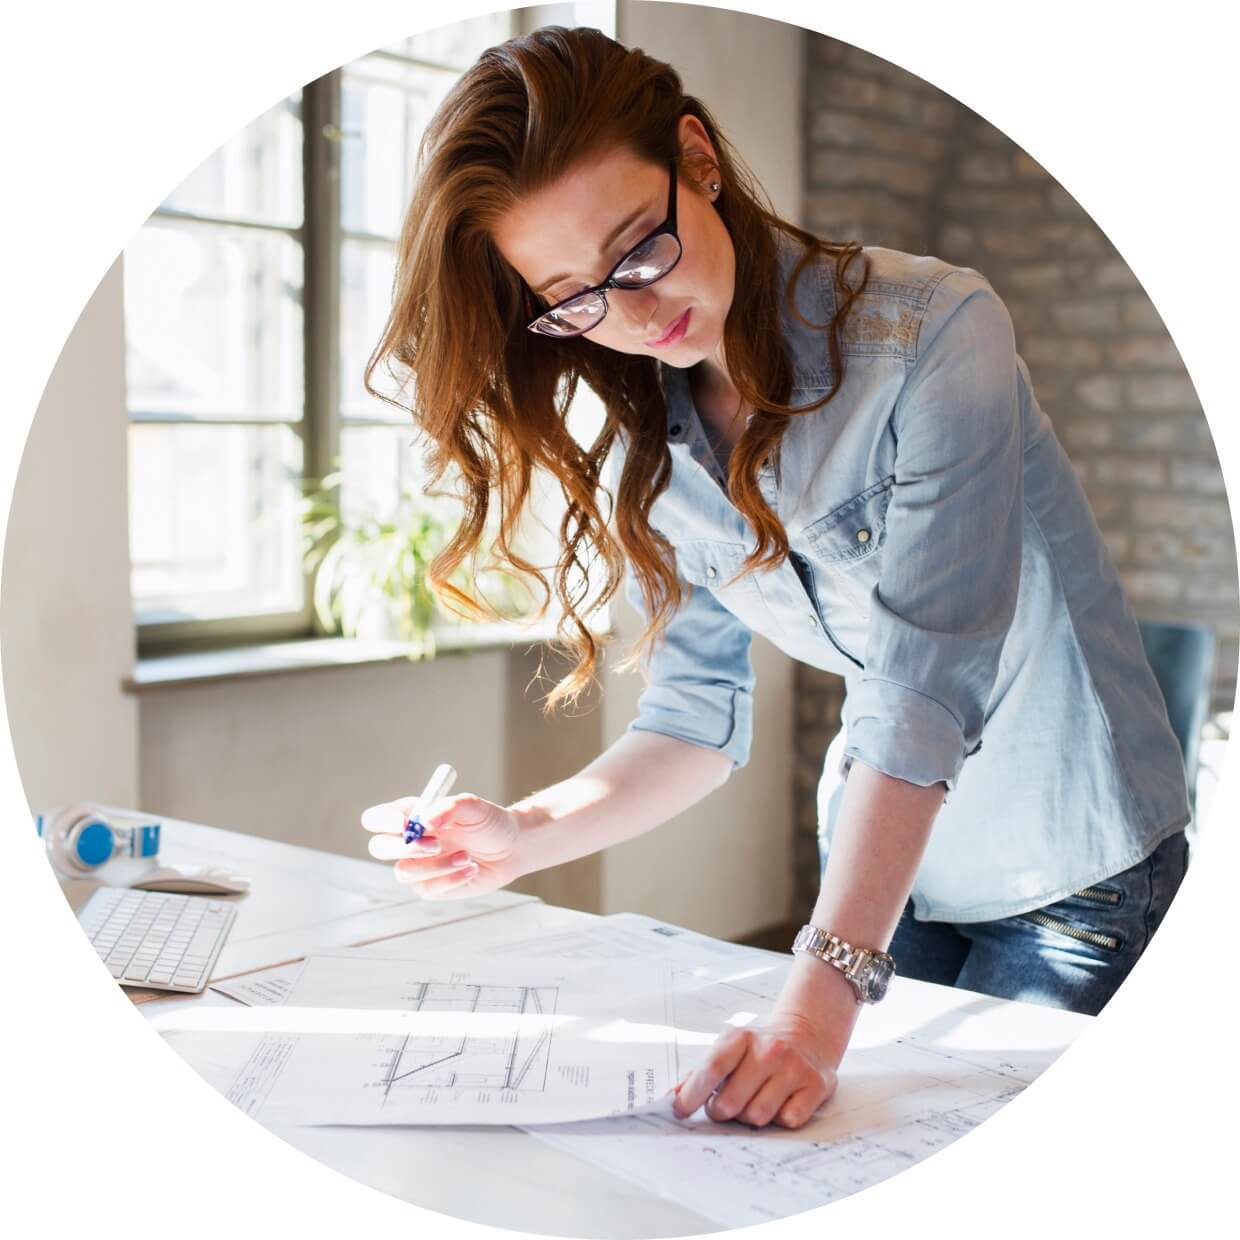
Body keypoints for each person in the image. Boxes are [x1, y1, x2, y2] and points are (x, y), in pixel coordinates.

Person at [359, 26, 1192, 1131]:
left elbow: (921, 688)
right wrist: (525, 831)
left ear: (696, 158)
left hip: (1077, 871)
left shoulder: (937, 333)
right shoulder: (653, 449)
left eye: (640, 249)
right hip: (901, 881)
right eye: (576, 296)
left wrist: (820, 991)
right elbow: (695, 721)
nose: (636, 315)